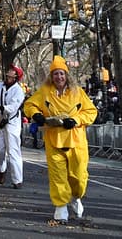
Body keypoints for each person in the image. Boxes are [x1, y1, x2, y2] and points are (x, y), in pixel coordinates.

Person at [23, 55, 98, 222]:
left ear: (67, 75)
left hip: (76, 141)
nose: (59, 77)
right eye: (56, 74)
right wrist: (37, 115)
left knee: (78, 177)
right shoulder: (44, 92)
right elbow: (29, 105)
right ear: (51, 76)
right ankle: (60, 207)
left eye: (62, 73)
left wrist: (77, 120)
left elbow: (91, 112)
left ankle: (76, 196)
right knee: (58, 176)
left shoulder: (78, 92)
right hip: (53, 140)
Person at [0, 65, 26, 189]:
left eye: (12, 72)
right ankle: (2, 168)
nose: (9, 73)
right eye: (9, 71)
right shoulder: (0, 85)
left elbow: (14, 105)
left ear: (16, 76)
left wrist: (2, 108)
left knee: (13, 150)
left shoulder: (18, 90)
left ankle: (17, 179)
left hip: (11, 122)